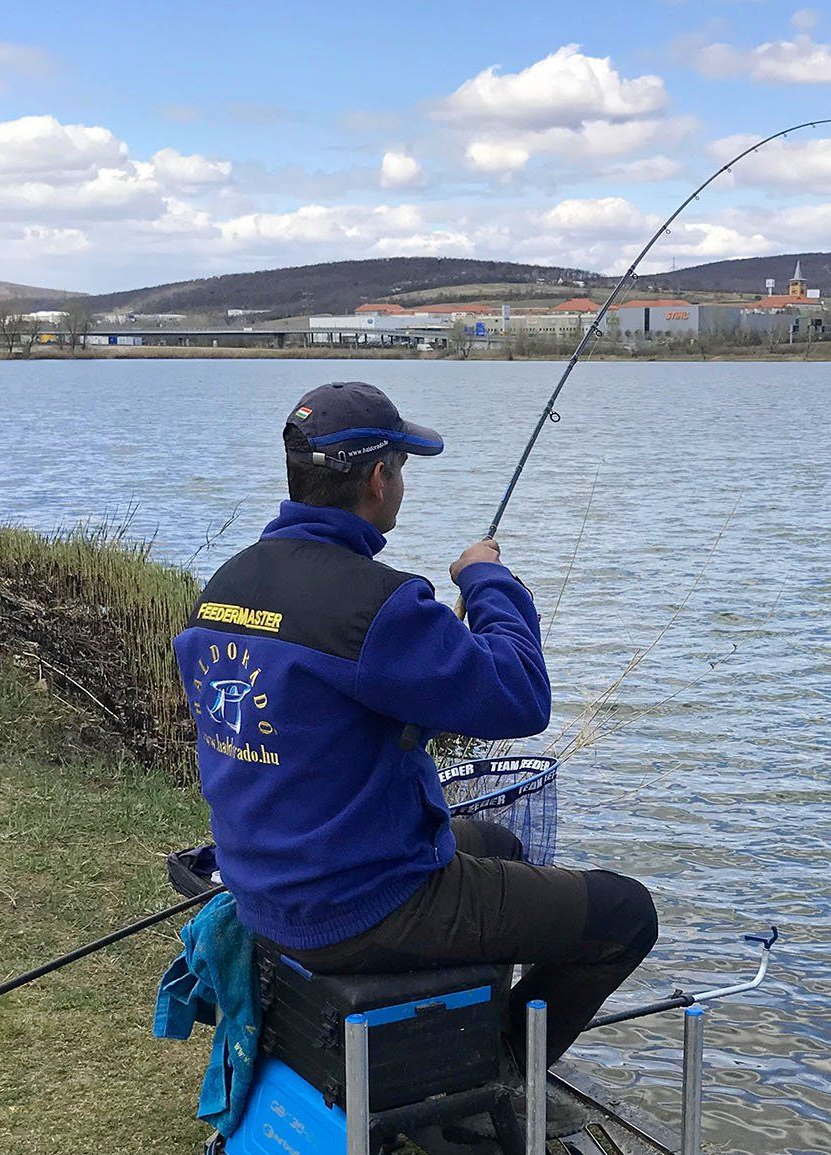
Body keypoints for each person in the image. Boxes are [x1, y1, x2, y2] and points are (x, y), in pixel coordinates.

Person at [173, 380, 656, 1069]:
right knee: (625, 914)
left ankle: (455, 1026)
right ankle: (487, 1074)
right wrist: (489, 580)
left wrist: (429, 662)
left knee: (496, 843)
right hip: (358, 906)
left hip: (266, 880)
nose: (400, 484)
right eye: (400, 468)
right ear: (377, 479)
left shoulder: (225, 587)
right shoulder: (380, 606)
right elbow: (521, 697)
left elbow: (317, 716)